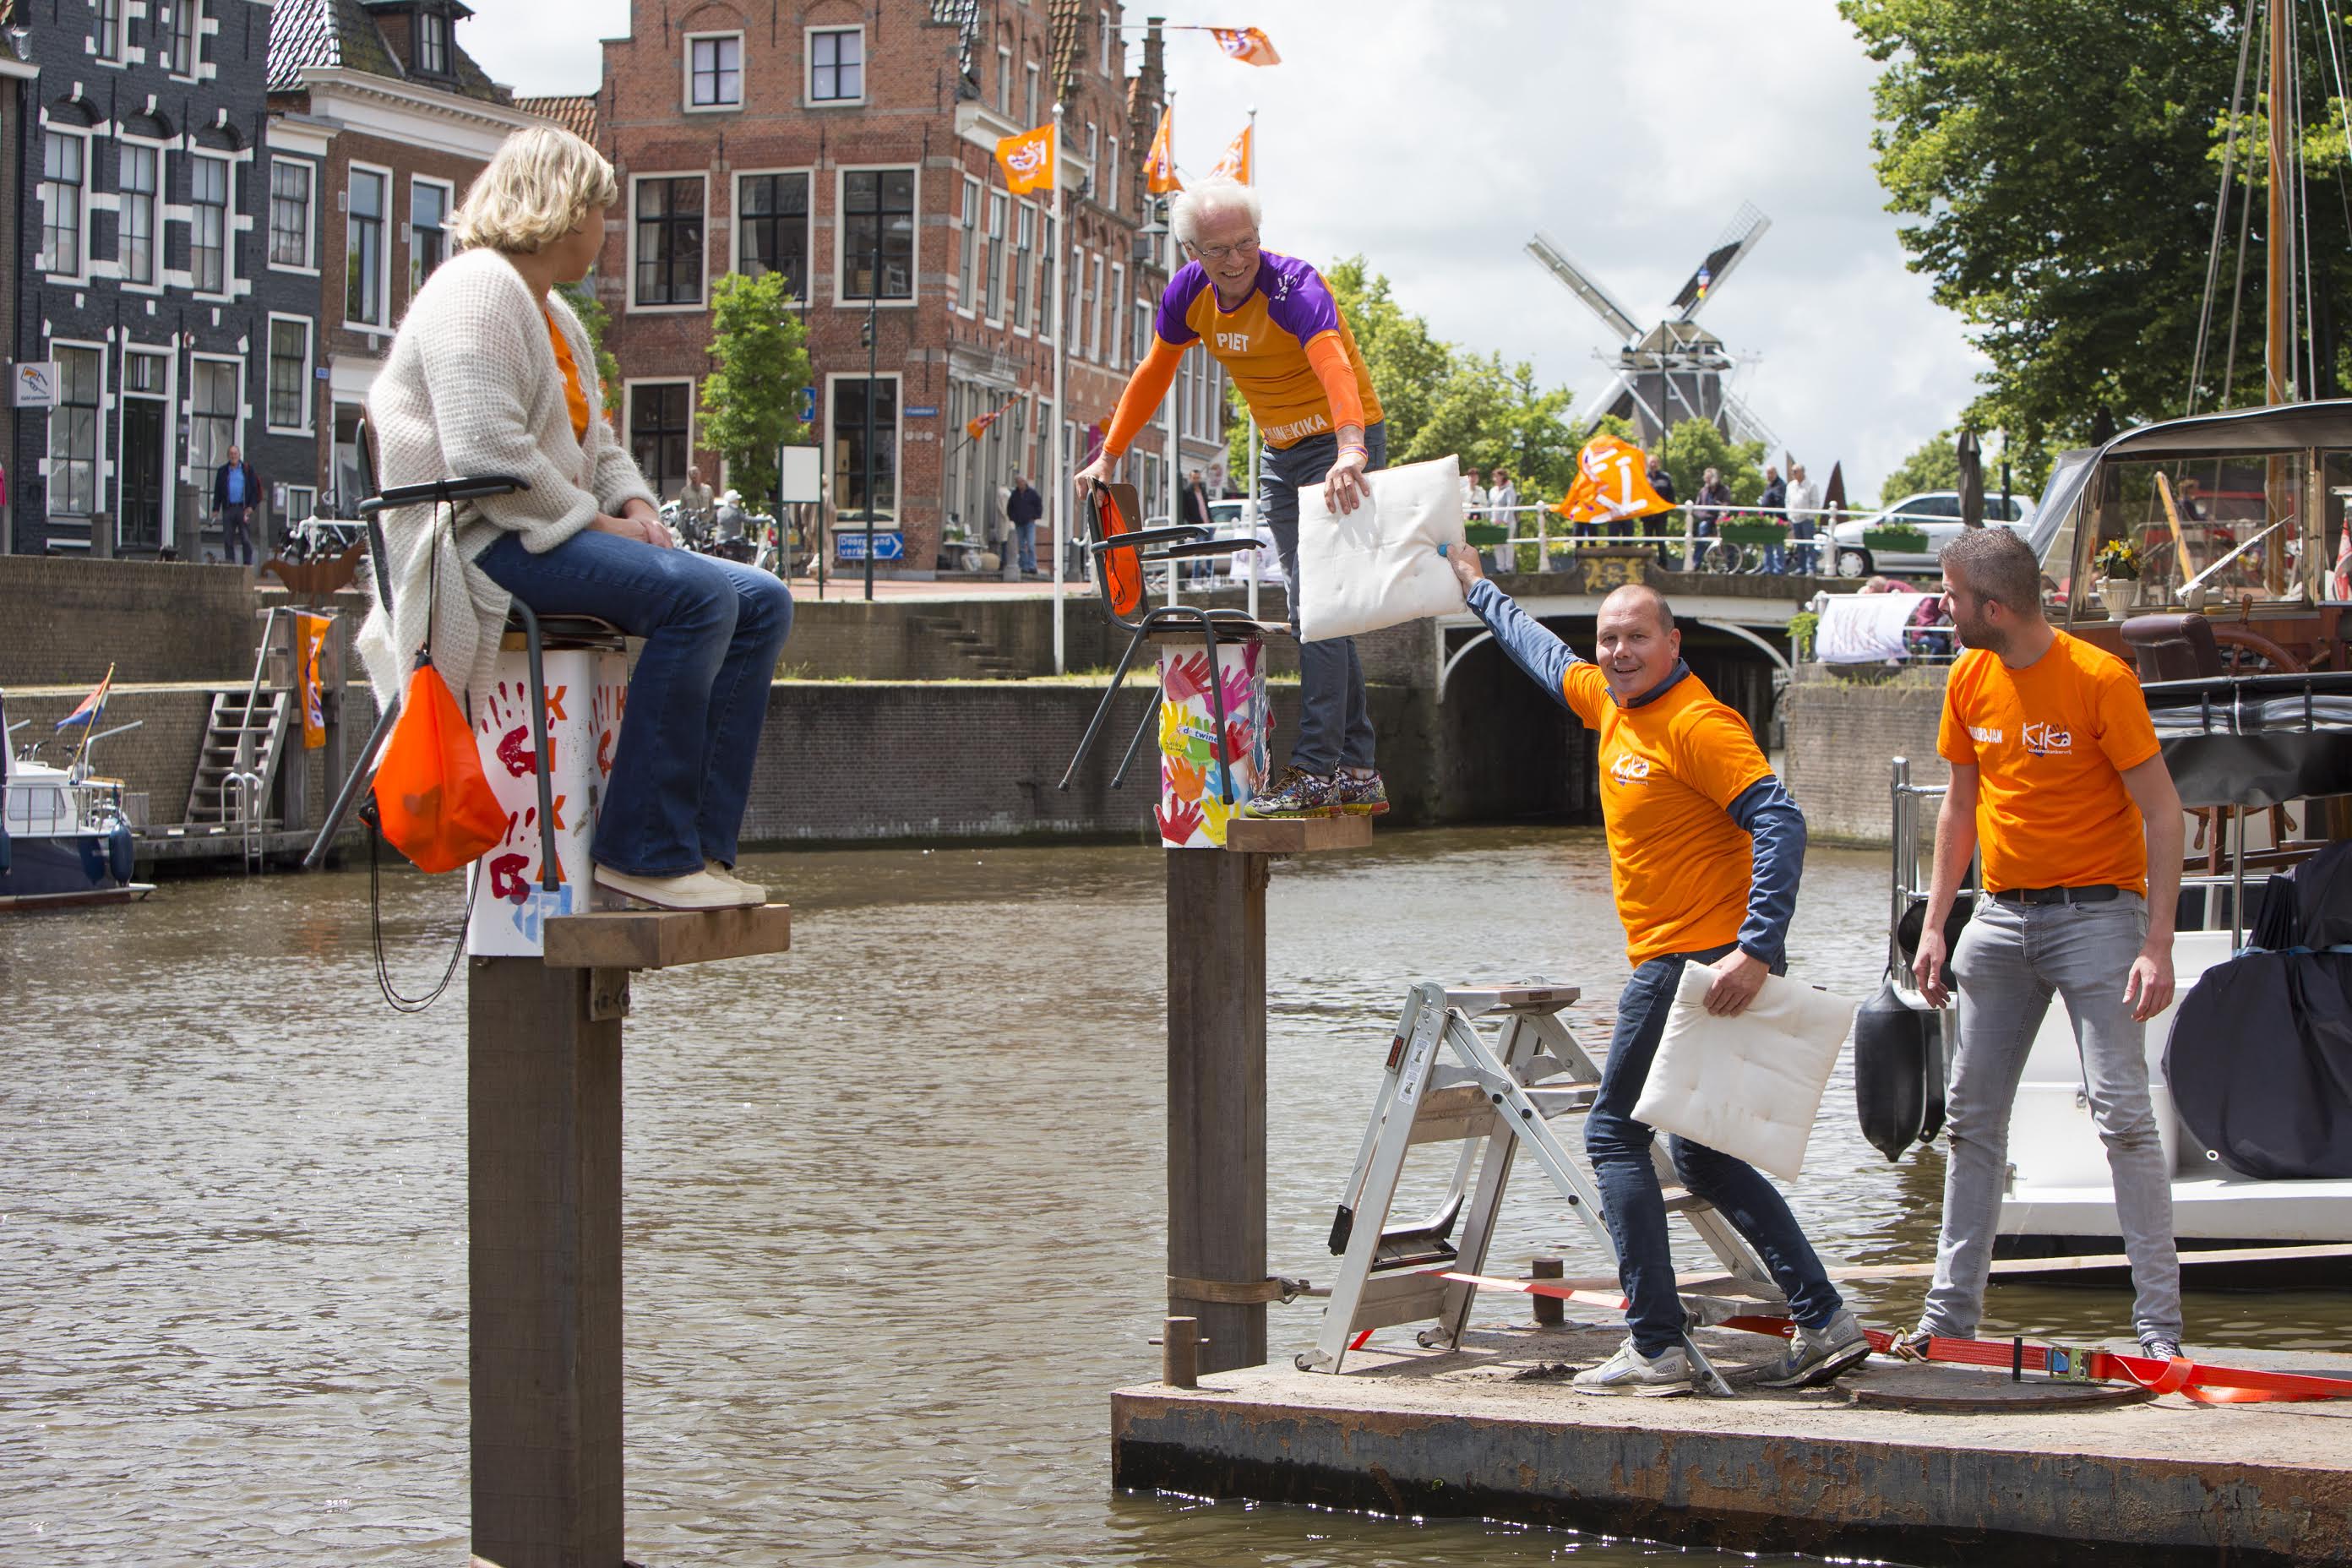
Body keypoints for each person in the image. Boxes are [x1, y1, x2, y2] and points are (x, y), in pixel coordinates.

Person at [1440, 542, 1870, 1396]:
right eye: (1608, 638)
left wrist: (1759, 945)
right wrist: (1478, 587)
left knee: (1613, 1133)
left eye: (1636, 636)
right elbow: (1540, 652)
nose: (1618, 651)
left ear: (1673, 643)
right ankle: (1824, 1318)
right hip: (1686, 957)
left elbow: (1780, 817)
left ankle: (1656, 1343)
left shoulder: (1697, 723)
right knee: (1700, 1153)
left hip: (1693, 958)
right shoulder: (1610, 702)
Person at [356, 125, 794, 913]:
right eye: (600, 209)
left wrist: (631, 504)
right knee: (700, 598)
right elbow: (488, 456)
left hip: (537, 530)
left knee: (762, 598)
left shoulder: (552, 313)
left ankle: (696, 849)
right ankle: (642, 856)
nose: (606, 228)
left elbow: (598, 443)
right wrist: (599, 525)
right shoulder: (477, 290)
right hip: (476, 547)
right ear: (563, 210)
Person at [1906, 527, 2186, 1363]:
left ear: (1992, 608)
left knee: (2123, 1116)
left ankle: (2160, 1330)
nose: (1941, 606)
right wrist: (1935, 919)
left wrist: (2159, 943)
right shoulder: (1968, 675)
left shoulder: (2100, 680)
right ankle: (1948, 1321)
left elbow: (2165, 814)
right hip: (1997, 920)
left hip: (2097, 917)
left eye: (1950, 595)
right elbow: (1960, 806)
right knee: (1970, 1117)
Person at [1076, 175, 1389, 819]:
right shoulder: (1189, 296)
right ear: (1193, 254)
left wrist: (1352, 449)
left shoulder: (1294, 287)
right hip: (1281, 454)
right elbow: (1154, 372)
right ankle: (1356, 767)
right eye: (1218, 250)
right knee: (1321, 608)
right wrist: (1108, 456)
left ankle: (1315, 769)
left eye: (1246, 242)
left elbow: (1333, 366)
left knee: (1320, 608)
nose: (1236, 259)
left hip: (1340, 445)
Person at [214, 445, 262, 566]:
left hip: (243, 509)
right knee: (228, 539)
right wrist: (215, 508)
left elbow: (254, 489)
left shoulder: (247, 470)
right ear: (228, 456)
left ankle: (247, 565)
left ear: (239, 455)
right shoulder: (222, 471)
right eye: (231, 453)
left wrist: (251, 506)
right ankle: (231, 565)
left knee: (245, 539)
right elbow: (218, 491)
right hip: (228, 508)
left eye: (235, 453)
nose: (233, 456)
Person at [1786, 463, 1821, 578]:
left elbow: (1815, 502)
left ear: (1802, 472)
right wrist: (1790, 516)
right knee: (1799, 546)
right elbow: (1788, 502)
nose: (1793, 474)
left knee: (1809, 545)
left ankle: (1811, 568)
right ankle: (1801, 568)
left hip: (1807, 519)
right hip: (1795, 519)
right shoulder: (1791, 486)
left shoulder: (1811, 485)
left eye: (1795, 471)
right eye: (1793, 471)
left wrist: (1810, 516)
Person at [1005, 471, 1043, 576]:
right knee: (1021, 546)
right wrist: (1013, 518)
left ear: (1024, 482)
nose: (1019, 484)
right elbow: (1010, 507)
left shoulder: (1032, 493)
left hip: (1029, 522)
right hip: (1019, 523)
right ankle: (1024, 566)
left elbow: (1039, 505)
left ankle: (1032, 566)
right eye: (1017, 483)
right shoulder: (1014, 494)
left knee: (1030, 545)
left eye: (1021, 482)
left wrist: (1035, 517)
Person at [1646, 455, 1679, 568]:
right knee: (1647, 539)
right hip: (1648, 514)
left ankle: (1663, 565)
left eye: (1655, 462)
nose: (1653, 465)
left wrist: (1670, 507)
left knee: (1661, 539)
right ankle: (1646, 564)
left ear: (1658, 464)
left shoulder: (1665, 478)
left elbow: (1670, 494)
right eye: (1651, 462)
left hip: (1661, 515)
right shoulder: (1644, 477)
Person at [1489, 466, 1522, 569]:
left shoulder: (1509, 489)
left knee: (1508, 544)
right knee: (1497, 545)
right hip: (1495, 521)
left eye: (1498, 476)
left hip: (1507, 521)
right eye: (1495, 476)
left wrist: (1505, 520)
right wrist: (1491, 520)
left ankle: (1509, 567)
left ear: (1503, 477)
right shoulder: (1493, 490)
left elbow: (1510, 505)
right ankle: (1500, 567)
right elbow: (1490, 505)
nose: (1496, 478)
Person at [1758, 466, 1788, 574]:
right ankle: (1768, 567)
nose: (1769, 476)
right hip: (1767, 519)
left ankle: (1779, 569)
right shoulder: (1768, 485)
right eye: (1767, 473)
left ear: (1775, 473)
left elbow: (1779, 501)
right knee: (1767, 544)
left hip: (1777, 519)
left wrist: (1776, 516)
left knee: (1778, 544)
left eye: (1771, 473)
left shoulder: (1780, 485)